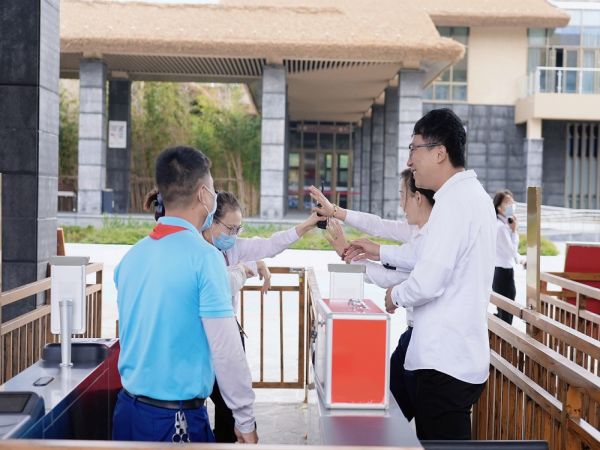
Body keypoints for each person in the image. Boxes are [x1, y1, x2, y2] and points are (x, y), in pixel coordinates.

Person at [113, 146, 258, 444]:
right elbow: (226, 350)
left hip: (127, 414)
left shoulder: (131, 258)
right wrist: (244, 419)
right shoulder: (205, 259)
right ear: (204, 194)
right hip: (174, 422)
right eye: (213, 189)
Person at [384, 108, 496, 440]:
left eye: (413, 149)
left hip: (445, 362)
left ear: (439, 153)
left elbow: (428, 280)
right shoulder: (471, 196)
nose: (410, 161)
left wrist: (395, 295)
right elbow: (424, 259)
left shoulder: (454, 202)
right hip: (457, 357)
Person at [202, 191, 322, 442]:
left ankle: (227, 438)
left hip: (227, 329)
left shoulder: (232, 247)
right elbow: (222, 284)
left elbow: (270, 245)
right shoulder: (197, 251)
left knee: (228, 406)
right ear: (211, 220)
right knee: (212, 397)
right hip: (201, 335)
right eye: (230, 228)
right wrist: (242, 270)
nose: (234, 235)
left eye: (238, 229)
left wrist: (307, 225)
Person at [322, 168, 435, 423]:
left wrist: (352, 253)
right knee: (389, 410)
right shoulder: (417, 230)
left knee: (412, 420)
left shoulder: (432, 238)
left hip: (426, 343)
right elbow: (379, 225)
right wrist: (336, 212)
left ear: (418, 198)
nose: (400, 203)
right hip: (413, 337)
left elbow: (394, 278)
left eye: (402, 195)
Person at [492, 190, 525, 325]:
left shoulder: (504, 224)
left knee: (505, 312)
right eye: (507, 202)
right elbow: (511, 250)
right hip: (502, 272)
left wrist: (520, 260)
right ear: (499, 207)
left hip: (503, 271)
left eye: (512, 202)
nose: (511, 205)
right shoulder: (500, 227)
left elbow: (511, 253)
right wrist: (514, 230)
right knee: (506, 314)